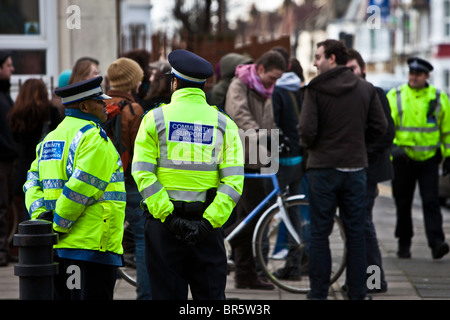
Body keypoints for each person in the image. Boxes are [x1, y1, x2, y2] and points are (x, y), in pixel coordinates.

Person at [132, 49, 244, 300]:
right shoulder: (224, 124)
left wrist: (169, 218)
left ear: (174, 82)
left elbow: (143, 174)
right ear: (203, 85)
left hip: (164, 230)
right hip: (206, 228)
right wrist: (207, 224)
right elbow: (233, 182)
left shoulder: (154, 119)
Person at [298, 39, 387, 300]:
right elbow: (379, 128)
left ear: (332, 59)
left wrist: (313, 146)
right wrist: (358, 145)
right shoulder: (365, 89)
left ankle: (318, 294)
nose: (314, 62)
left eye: (318, 57)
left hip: (323, 170)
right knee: (356, 234)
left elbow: (306, 131)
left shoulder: (315, 90)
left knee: (319, 234)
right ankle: (358, 292)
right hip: (355, 170)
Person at [24, 76, 126, 300]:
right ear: (85, 106)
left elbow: (32, 182)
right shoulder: (94, 138)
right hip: (89, 249)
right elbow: (80, 188)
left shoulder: (50, 138)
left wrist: (42, 219)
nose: (105, 106)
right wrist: (58, 225)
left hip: (58, 249)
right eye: (100, 101)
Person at [224, 50, 286, 290]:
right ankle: (219, 240)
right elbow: (239, 114)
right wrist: (261, 135)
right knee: (254, 217)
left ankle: (244, 275)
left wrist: (277, 140)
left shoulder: (265, 90)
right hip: (240, 159)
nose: (275, 82)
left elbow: (268, 122)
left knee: (249, 217)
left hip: (258, 159)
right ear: (260, 69)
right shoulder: (239, 85)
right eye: (273, 77)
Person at [386, 57, 450, 260]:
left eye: (418, 74)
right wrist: (393, 148)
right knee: (402, 203)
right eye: (411, 73)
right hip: (402, 159)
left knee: (431, 201)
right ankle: (403, 244)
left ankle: (437, 243)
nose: (413, 77)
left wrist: (449, 156)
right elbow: (386, 128)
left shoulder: (439, 98)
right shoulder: (396, 95)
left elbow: (447, 131)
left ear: (427, 76)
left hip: (429, 159)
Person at [346, 48, 395, 293]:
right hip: (354, 170)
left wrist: (363, 154)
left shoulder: (374, 93)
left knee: (363, 225)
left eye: (353, 68)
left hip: (368, 170)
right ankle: (358, 279)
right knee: (355, 226)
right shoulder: (348, 95)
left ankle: (375, 281)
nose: (351, 73)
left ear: (363, 70)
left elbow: (387, 133)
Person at [106, 57, 149, 299]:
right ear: (132, 82)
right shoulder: (134, 110)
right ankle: (145, 296)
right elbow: (140, 151)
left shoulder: (97, 105)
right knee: (142, 238)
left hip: (103, 183)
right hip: (130, 183)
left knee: (108, 241)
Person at [270, 47, 305, 279]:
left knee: (265, 210)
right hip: (298, 161)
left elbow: (272, 126)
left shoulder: (278, 92)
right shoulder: (302, 92)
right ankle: (295, 265)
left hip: (280, 161)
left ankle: (256, 266)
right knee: (293, 213)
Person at [8, 79, 62, 220]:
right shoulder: (51, 112)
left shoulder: (16, 115)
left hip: (25, 170)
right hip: (48, 170)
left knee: (29, 211)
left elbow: (14, 141)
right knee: (51, 211)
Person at [0, 50, 17, 267]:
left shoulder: (5, 94)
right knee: (1, 207)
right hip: (2, 160)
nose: (12, 69)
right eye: (9, 65)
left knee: (5, 206)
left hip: (8, 159)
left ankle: (4, 249)